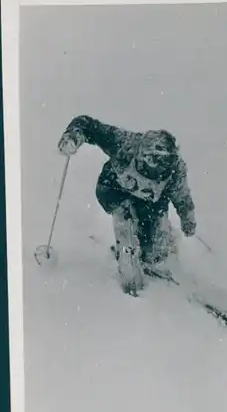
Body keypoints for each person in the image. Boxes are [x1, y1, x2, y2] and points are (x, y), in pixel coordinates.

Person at [57, 115, 197, 295]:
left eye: (159, 167)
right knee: (127, 235)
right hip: (115, 190)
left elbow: (182, 196)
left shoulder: (175, 169)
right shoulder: (125, 143)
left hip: (151, 201)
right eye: (149, 163)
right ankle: (132, 286)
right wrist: (72, 137)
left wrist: (188, 220)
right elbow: (88, 124)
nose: (153, 169)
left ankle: (155, 255)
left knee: (156, 251)